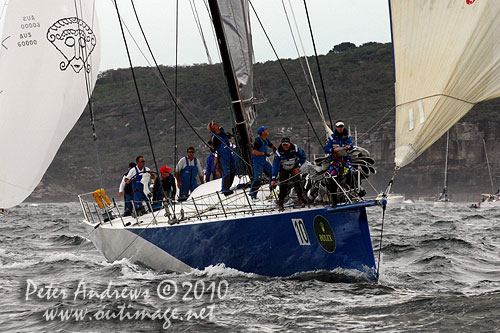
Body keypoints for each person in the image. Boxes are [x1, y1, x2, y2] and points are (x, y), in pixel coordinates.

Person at [324, 121, 355, 205]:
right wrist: (333, 150)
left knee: (352, 173)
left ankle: (353, 194)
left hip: (345, 159)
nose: (340, 128)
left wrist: (349, 147)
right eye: (338, 126)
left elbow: (351, 145)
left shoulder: (347, 136)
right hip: (335, 161)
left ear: (343, 127)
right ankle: (334, 201)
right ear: (336, 128)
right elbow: (326, 148)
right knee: (332, 177)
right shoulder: (331, 137)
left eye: (341, 126)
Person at [271, 137, 307, 211]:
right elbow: (275, 166)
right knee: (283, 185)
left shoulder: (296, 148)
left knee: (297, 183)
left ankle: (301, 200)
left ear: (290, 143)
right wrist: (273, 179)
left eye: (287, 145)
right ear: (281, 144)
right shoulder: (278, 152)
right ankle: (281, 203)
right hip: (283, 169)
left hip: (294, 167)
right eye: (284, 145)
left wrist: (298, 167)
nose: (285, 146)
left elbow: (303, 157)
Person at [208, 121, 235, 195]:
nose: (216, 124)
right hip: (223, 157)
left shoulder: (222, 130)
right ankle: (225, 189)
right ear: (212, 128)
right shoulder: (214, 138)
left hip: (229, 154)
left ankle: (228, 186)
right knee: (227, 172)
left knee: (233, 171)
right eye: (213, 124)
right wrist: (211, 147)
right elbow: (214, 151)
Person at [249, 126, 275, 200]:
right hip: (257, 161)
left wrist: (274, 148)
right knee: (258, 178)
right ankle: (253, 195)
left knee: (272, 173)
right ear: (262, 132)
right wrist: (263, 153)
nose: (267, 130)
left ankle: (272, 191)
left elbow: (270, 144)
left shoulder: (265, 139)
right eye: (266, 130)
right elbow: (254, 151)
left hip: (263, 161)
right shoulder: (258, 141)